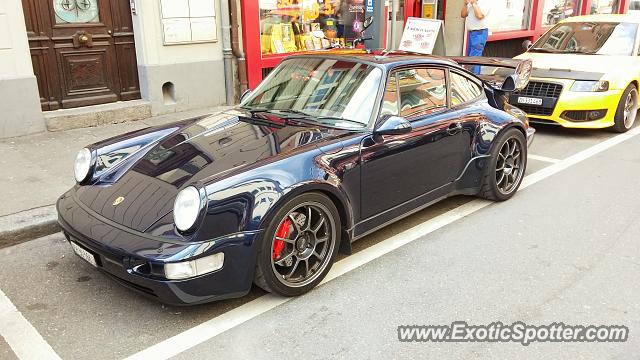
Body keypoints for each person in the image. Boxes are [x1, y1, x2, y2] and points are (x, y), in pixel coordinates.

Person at [461, 0, 491, 73]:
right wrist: (465, 4)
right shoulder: (471, 3)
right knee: (471, 57)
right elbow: (463, 15)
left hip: (480, 32)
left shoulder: (485, 2)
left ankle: (473, 78)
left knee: (474, 58)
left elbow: (479, 16)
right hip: (472, 33)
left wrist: (474, 4)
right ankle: (474, 77)